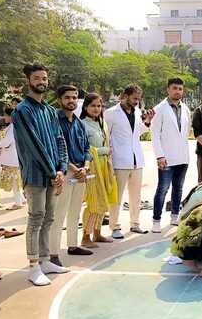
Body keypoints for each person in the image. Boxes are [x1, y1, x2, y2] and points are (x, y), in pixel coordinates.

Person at [12, 63, 69, 286]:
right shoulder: (22, 110)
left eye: (44, 78)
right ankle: (33, 266)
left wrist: (61, 168)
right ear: (28, 81)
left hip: (53, 173)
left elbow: (60, 140)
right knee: (36, 218)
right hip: (35, 175)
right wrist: (53, 172)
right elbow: (34, 145)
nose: (41, 82)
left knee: (49, 218)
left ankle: (45, 261)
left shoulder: (50, 111)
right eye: (37, 78)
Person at [49, 85, 93, 264]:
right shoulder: (54, 121)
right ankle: (53, 254)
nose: (71, 101)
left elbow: (87, 148)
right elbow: (54, 150)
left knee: (75, 211)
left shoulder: (79, 122)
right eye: (67, 97)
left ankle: (73, 245)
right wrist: (74, 168)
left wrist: (86, 167)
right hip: (64, 173)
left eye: (74, 97)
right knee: (59, 214)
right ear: (59, 100)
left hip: (81, 174)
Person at [104, 84, 154, 239]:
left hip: (136, 160)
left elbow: (136, 133)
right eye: (134, 98)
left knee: (136, 196)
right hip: (119, 160)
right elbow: (105, 135)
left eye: (138, 99)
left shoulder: (137, 112)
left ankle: (135, 223)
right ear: (124, 96)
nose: (136, 102)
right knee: (116, 197)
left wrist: (147, 122)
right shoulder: (111, 114)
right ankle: (114, 226)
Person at [151, 77, 191, 231]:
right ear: (168, 89)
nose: (177, 91)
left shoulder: (185, 109)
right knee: (163, 189)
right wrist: (159, 156)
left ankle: (175, 215)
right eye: (174, 88)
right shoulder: (159, 109)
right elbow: (155, 134)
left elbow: (186, 132)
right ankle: (156, 220)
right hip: (166, 157)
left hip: (182, 156)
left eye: (180, 89)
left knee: (178, 188)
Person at [80, 93, 118, 248]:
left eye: (99, 106)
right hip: (92, 167)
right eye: (93, 106)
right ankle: (85, 237)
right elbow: (84, 148)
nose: (96, 109)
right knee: (93, 202)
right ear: (85, 107)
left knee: (103, 200)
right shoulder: (82, 124)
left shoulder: (102, 123)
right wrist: (104, 150)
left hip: (105, 167)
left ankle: (97, 233)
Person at [0, 108, 25, 210]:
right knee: (16, 180)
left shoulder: (13, 127)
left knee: (14, 181)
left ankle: (18, 202)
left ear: (11, 116)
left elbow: (6, 142)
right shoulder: (16, 126)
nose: (4, 117)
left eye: (5, 115)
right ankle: (21, 199)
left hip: (12, 159)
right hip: (14, 158)